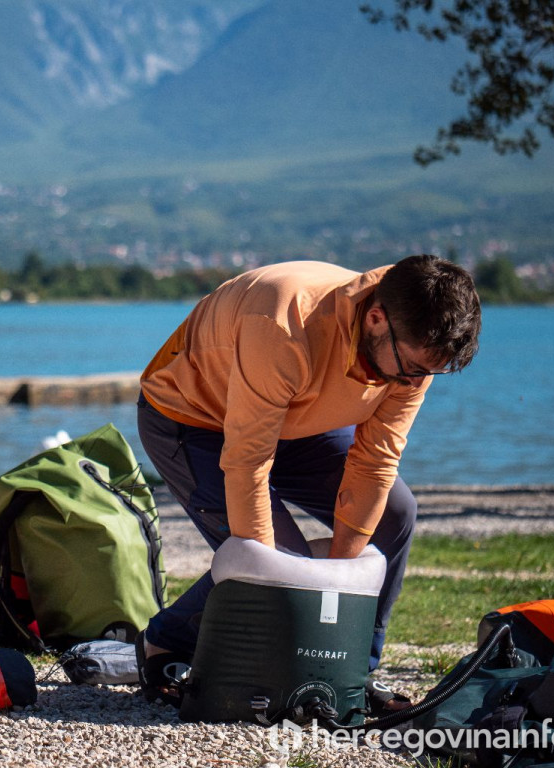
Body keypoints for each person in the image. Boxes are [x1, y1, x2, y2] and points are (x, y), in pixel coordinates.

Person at [135, 255, 481, 709]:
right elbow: (248, 460)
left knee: (395, 514)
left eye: (427, 373)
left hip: (300, 421)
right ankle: (163, 641)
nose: (415, 382)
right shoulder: (283, 322)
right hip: (194, 418)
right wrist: (286, 576)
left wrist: (339, 595)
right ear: (375, 318)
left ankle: (354, 667)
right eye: (413, 369)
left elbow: (377, 460)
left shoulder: (414, 344)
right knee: (281, 562)